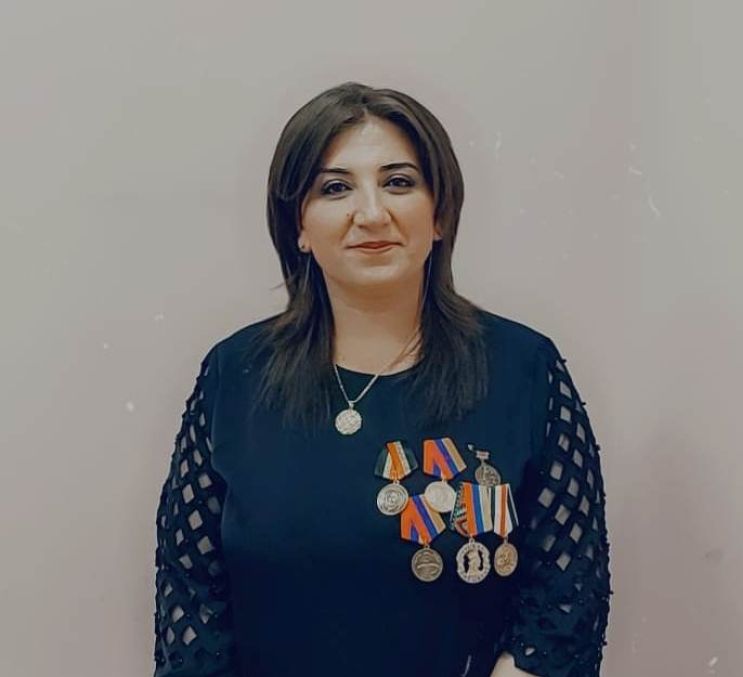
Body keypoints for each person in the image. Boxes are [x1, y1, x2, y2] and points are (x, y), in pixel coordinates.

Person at [151, 81, 613, 677]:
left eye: (398, 182)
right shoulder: (235, 375)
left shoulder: (523, 369)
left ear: (439, 213)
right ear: (298, 226)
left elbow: (564, 607)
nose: (371, 214)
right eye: (335, 188)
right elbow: (192, 604)